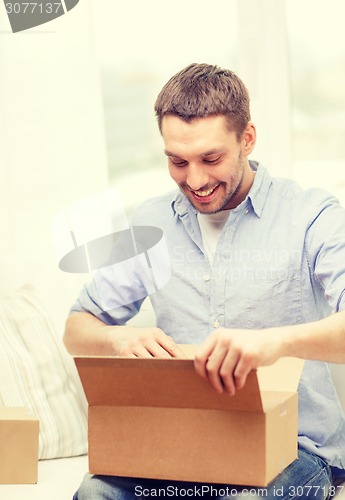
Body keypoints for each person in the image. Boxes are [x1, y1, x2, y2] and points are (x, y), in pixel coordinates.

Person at [65, 63, 345, 499]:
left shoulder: (311, 216)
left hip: (295, 450)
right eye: (178, 161)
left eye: (211, 159)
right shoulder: (152, 223)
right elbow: (77, 327)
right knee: (93, 493)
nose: (194, 181)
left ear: (247, 139)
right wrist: (117, 341)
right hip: (185, 444)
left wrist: (275, 343)